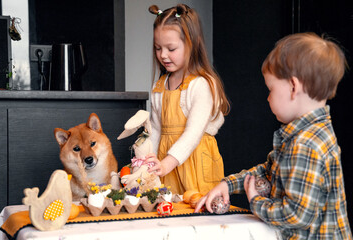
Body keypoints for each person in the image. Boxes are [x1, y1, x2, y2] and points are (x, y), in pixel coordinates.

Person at [195, 32, 352, 239]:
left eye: (270, 89)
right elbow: (269, 172)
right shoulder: (305, 135)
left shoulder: (306, 144)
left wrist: (256, 201)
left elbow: (296, 215)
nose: (268, 98)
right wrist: (228, 184)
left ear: (293, 87)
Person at [144, 4, 230, 195]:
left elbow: (193, 133)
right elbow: (156, 130)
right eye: (158, 48)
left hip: (196, 164)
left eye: (171, 48)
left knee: (198, 211)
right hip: (168, 166)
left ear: (192, 44)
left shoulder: (202, 85)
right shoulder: (159, 86)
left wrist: (167, 163)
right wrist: (147, 161)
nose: (163, 55)